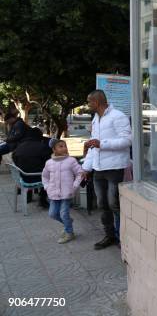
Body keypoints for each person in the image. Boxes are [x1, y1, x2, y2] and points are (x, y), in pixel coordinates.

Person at [82, 90, 132, 250]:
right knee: (102, 204)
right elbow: (93, 145)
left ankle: (121, 237)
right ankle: (109, 235)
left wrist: (102, 144)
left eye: (89, 102)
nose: (88, 105)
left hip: (114, 168)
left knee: (114, 204)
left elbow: (127, 140)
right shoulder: (96, 118)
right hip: (98, 168)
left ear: (97, 102)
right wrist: (86, 167)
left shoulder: (118, 116)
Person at [42, 139, 83, 243]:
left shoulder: (71, 161)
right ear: (54, 149)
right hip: (53, 193)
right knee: (52, 214)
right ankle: (68, 222)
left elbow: (80, 173)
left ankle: (69, 233)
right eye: (60, 146)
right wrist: (47, 187)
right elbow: (45, 176)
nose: (64, 148)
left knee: (64, 213)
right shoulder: (49, 163)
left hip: (67, 193)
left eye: (65, 146)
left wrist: (74, 186)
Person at [12, 127, 52, 207]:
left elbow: (14, 158)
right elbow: (49, 162)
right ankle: (43, 199)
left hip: (22, 177)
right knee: (50, 173)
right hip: (36, 177)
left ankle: (29, 197)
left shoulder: (19, 146)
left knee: (29, 168)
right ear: (40, 136)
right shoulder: (43, 147)